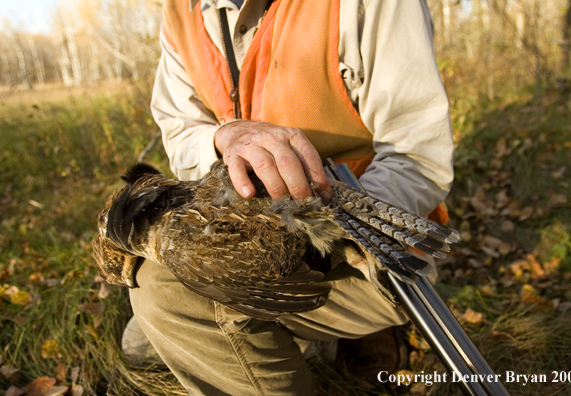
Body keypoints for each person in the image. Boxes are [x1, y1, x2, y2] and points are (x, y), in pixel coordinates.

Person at [128, 0, 454, 394]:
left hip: (365, 248)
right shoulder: (182, 12)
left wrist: (322, 236)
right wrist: (222, 137)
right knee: (138, 344)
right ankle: (308, 334)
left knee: (166, 294)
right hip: (248, 234)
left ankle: (361, 323)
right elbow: (180, 129)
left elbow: (419, 154)